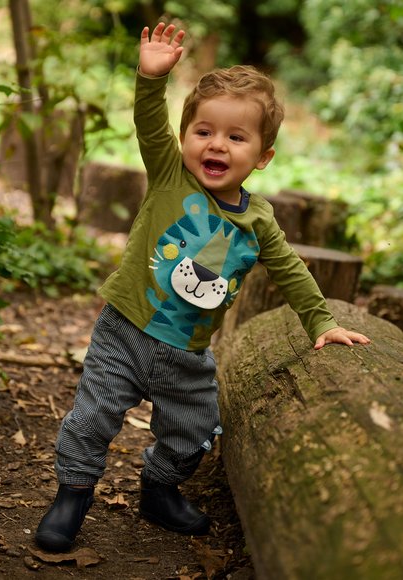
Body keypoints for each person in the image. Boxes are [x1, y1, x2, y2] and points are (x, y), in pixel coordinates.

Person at [35, 22, 370, 552]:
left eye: (236, 137)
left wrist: (322, 323)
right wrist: (151, 79)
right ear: (186, 136)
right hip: (124, 332)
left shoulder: (259, 222)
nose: (217, 144)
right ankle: (71, 496)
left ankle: (159, 488)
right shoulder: (170, 175)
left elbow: (291, 272)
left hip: (188, 355)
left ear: (262, 157)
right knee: (92, 417)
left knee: (194, 430)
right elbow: (149, 125)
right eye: (204, 131)